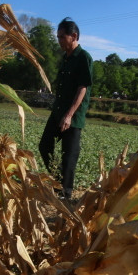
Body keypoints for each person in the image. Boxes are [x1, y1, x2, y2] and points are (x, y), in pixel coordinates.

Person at [39, 18, 93, 202]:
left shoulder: (83, 57)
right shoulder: (65, 58)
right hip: (58, 111)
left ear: (74, 36)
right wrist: (60, 113)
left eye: (62, 37)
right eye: (58, 37)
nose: (59, 40)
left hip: (73, 116)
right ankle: (58, 181)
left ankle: (66, 194)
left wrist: (69, 115)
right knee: (44, 145)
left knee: (69, 156)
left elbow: (82, 88)